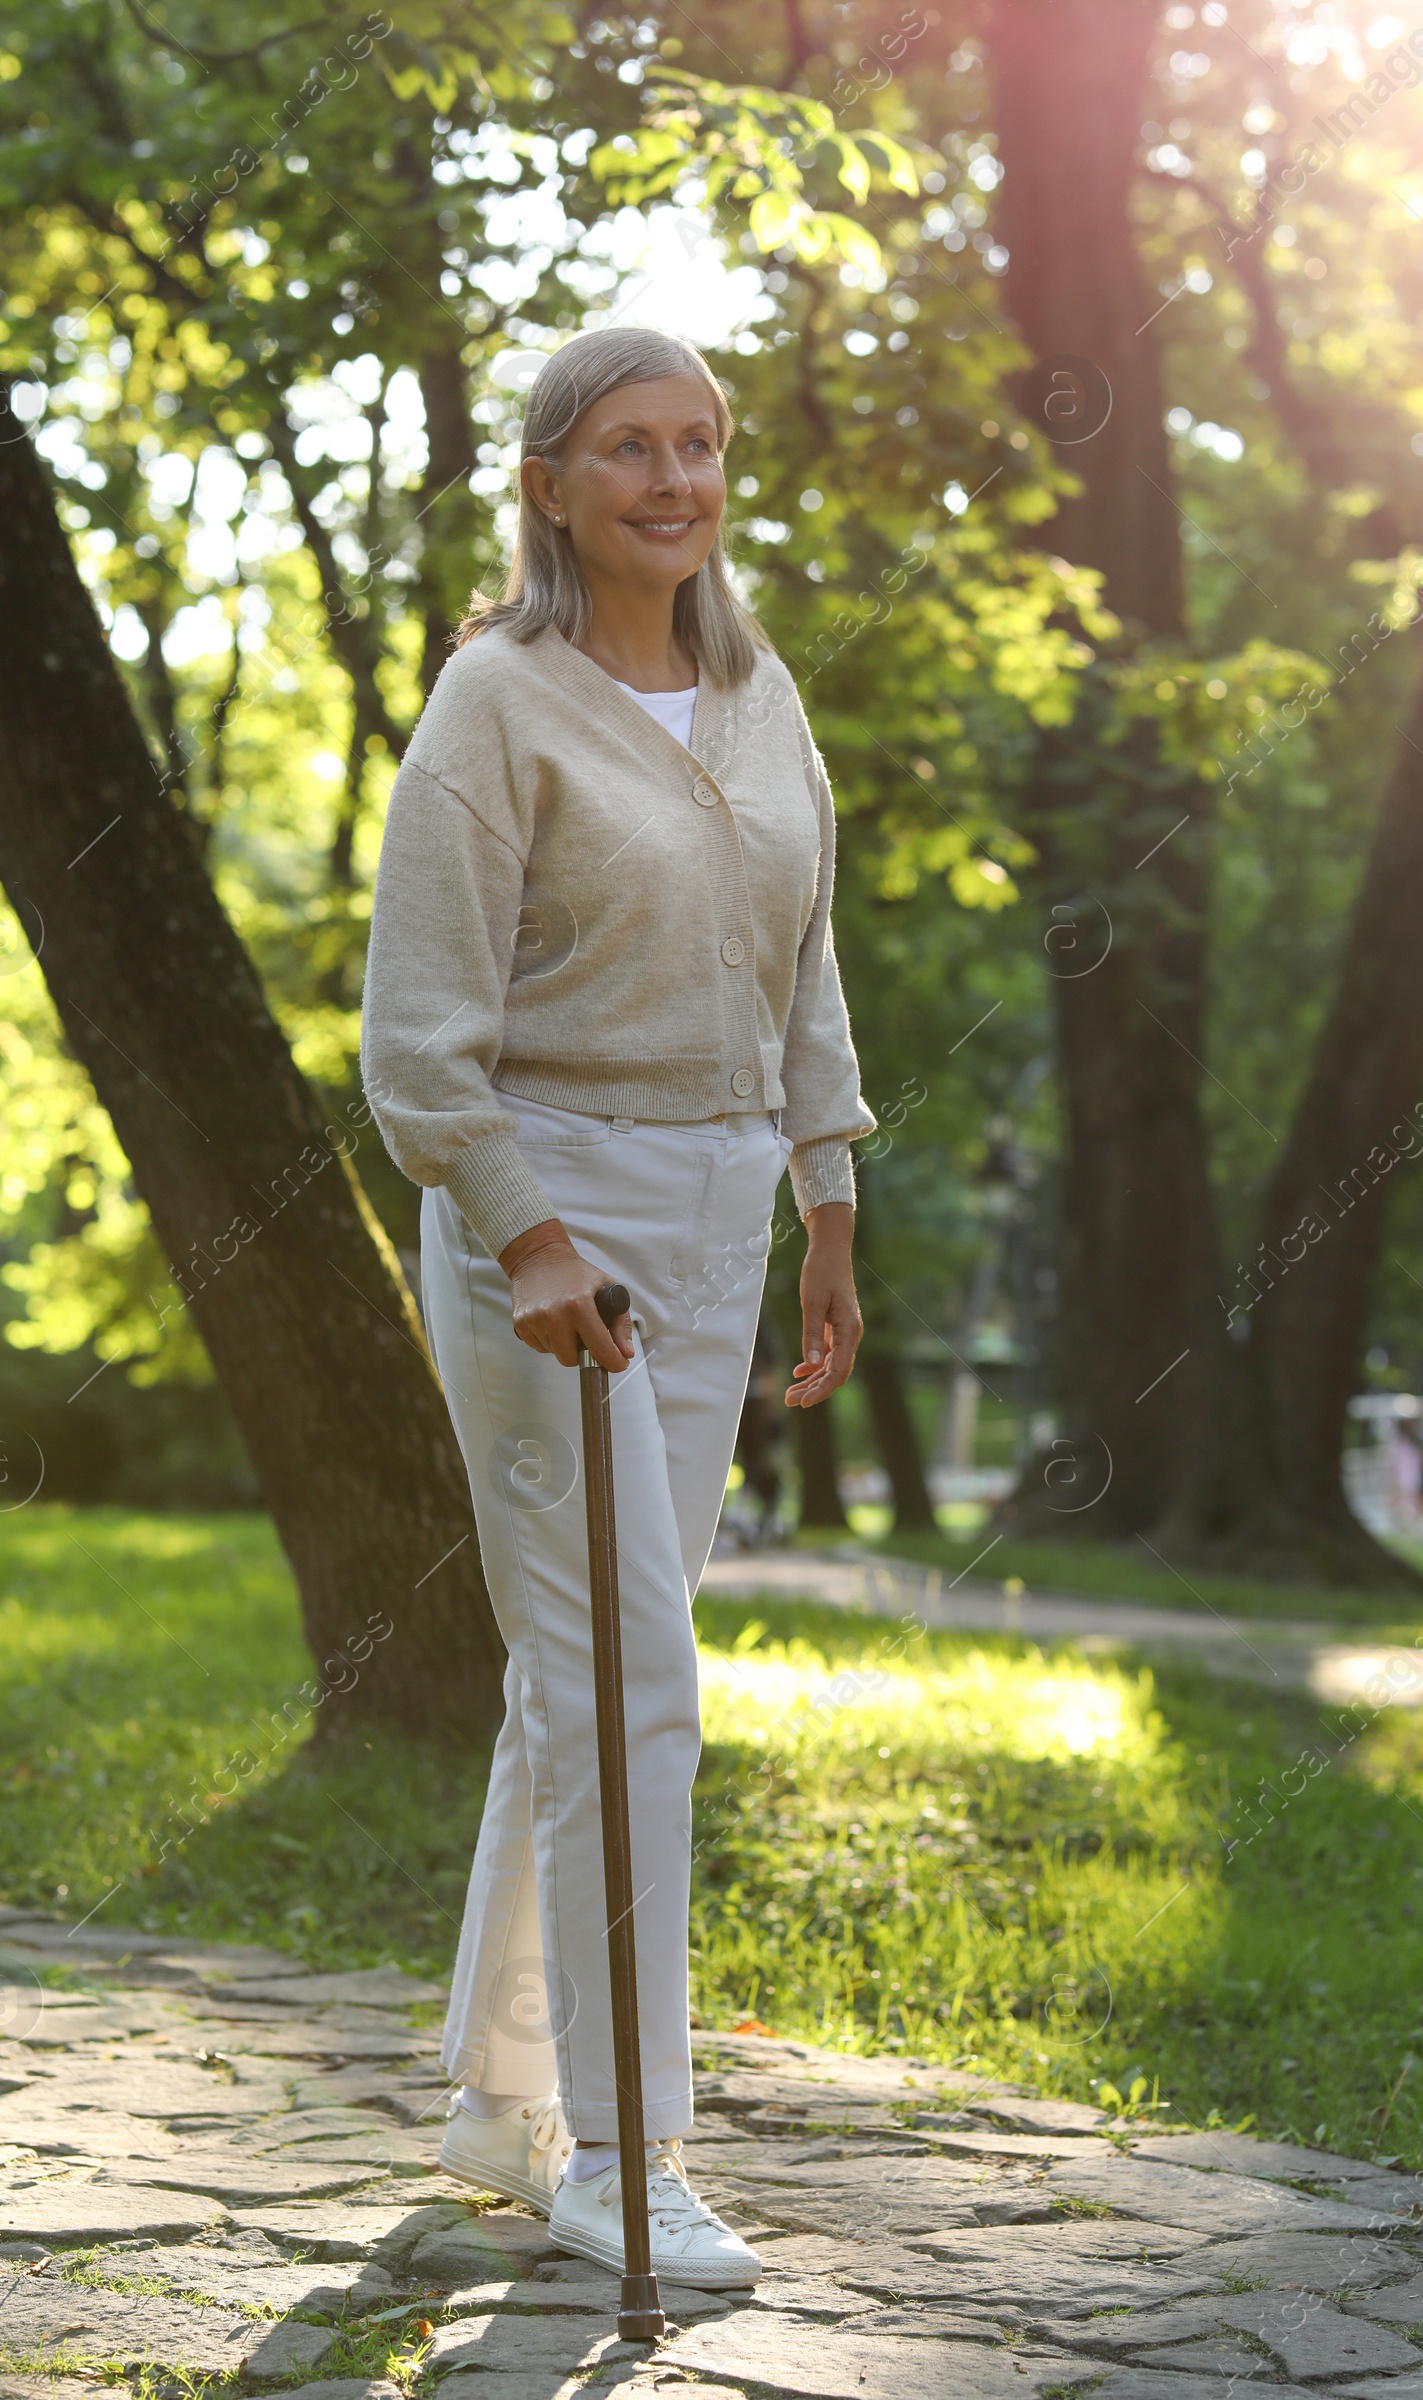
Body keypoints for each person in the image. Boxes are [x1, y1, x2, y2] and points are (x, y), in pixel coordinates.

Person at [360, 325, 874, 2287]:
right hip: (546, 1225)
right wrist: (521, 1227)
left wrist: (824, 1201)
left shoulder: (754, 693)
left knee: (584, 1673)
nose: (675, 479)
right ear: (551, 484)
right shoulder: (497, 702)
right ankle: (627, 2154)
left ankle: (506, 2102)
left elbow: (803, 960)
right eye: (630, 448)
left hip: (724, 1199)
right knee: (629, 1683)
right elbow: (417, 1037)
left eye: (701, 444)